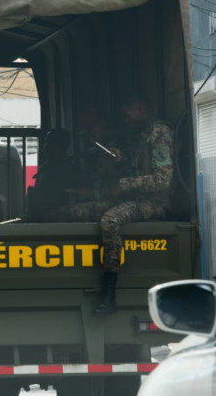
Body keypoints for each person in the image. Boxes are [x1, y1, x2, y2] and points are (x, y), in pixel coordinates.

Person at [93, 95, 174, 315]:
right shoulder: (143, 136)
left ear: (140, 108)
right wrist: (122, 158)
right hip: (137, 199)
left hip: (154, 203)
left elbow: (163, 180)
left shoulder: (159, 134)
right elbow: (139, 165)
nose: (126, 120)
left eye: (128, 115)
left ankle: (109, 295)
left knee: (110, 221)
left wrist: (126, 184)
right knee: (90, 210)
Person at [26, 129, 75, 220]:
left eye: (51, 142)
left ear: (62, 146)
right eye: (46, 142)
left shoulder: (64, 169)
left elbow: (51, 197)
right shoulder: (46, 166)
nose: (46, 146)